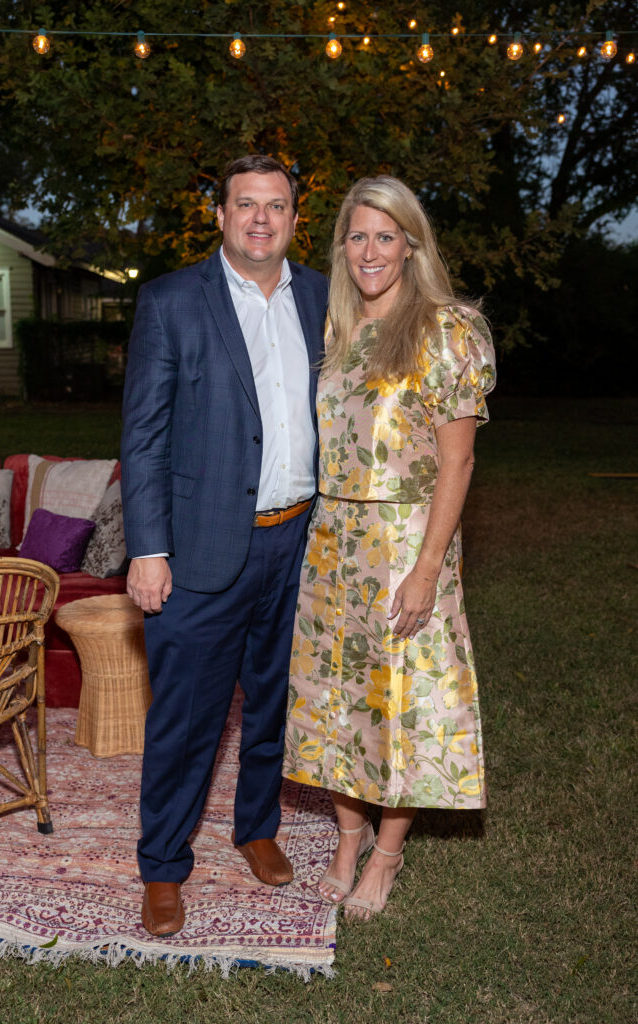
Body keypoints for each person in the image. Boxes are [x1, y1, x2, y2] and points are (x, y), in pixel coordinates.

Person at [121, 155, 328, 937]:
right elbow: (142, 436)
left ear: (294, 219)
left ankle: (255, 827)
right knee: (185, 719)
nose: (261, 220)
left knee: (273, 705)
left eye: (276, 207)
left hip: (297, 543)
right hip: (200, 550)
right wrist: (147, 548)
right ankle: (164, 865)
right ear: (220, 216)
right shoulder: (173, 301)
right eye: (246, 205)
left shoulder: (319, 295)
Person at [283, 176, 496, 920]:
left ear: (410, 243)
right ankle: (345, 838)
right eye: (357, 236)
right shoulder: (337, 331)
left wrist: (427, 567)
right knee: (332, 700)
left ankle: (385, 855)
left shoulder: (445, 329)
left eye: (385, 235)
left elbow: (457, 462)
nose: (370, 250)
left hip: (406, 541)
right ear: (342, 247)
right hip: (331, 540)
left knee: (396, 704)